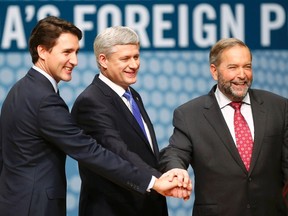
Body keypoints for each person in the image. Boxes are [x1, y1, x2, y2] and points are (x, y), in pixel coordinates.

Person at [0, 16, 191, 216]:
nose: (74, 61)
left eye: (76, 52)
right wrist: (153, 181)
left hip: (19, 200)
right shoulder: (43, 98)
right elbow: (90, 150)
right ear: (42, 51)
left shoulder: (23, 89)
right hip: (35, 206)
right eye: (66, 52)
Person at [159, 38, 288, 216]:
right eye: (233, 67)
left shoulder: (279, 107)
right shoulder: (189, 114)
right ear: (214, 71)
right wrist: (176, 169)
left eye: (247, 66)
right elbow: (175, 151)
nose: (242, 74)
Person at [71, 26, 190, 216]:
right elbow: (117, 151)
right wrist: (157, 180)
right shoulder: (91, 101)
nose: (134, 65)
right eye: (125, 59)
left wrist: (171, 170)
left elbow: (145, 152)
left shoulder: (132, 95)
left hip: (145, 206)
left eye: (136, 56)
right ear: (103, 60)